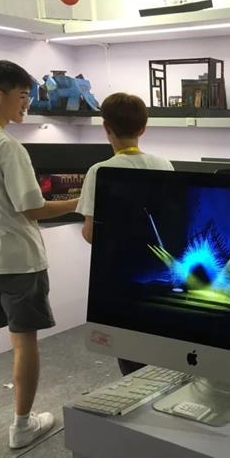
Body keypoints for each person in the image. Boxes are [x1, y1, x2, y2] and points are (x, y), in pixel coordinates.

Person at [0, 60, 79, 447]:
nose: (27, 104)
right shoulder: (6, 145)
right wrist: (82, 201)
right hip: (17, 260)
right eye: (22, 96)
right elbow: (33, 208)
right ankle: (22, 426)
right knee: (24, 342)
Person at [76, 92, 174, 376]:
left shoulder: (100, 170)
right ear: (143, 128)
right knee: (163, 345)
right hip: (160, 269)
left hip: (119, 276)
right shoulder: (164, 165)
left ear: (105, 127)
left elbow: (91, 234)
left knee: (130, 353)